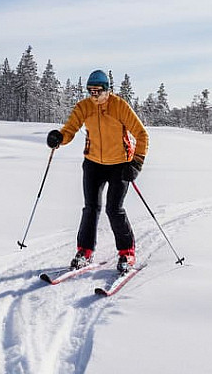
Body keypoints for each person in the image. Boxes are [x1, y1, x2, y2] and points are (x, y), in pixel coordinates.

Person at [46, 69, 149, 275]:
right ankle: (85, 251)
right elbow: (70, 129)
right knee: (90, 208)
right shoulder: (84, 107)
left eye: (98, 91)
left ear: (107, 90)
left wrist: (136, 164)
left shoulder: (119, 106)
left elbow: (141, 135)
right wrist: (59, 137)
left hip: (120, 165)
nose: (94, 96)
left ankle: (127, 252)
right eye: (90, 91)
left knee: (114, 209)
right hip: (93, 163)